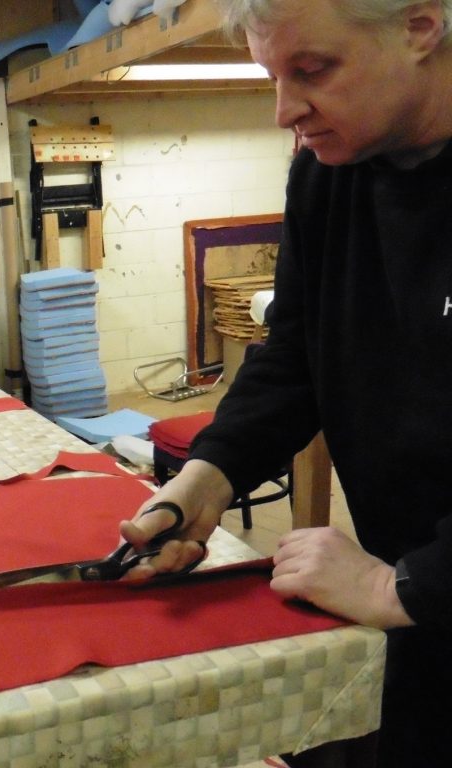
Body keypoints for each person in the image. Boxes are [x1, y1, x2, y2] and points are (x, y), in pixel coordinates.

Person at [119, 1, 452, 765]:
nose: (284, 111)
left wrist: (398, 587)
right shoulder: (327, 172)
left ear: (421, 25)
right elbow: (298, 348)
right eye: (272, 75)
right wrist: (208, 474)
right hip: (413, 604)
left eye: (312, 71)